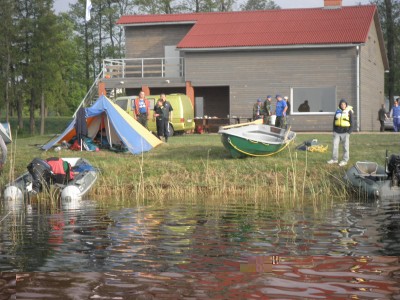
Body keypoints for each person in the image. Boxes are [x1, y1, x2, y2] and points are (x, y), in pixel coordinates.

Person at [327, 99, 353, 167]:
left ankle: (345, 160)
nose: (343, 105)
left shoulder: (349, 111)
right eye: (341, 104)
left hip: (345, 132)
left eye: (344, 104)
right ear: (340, 105)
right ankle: (334, 159)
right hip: (337, 132)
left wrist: (349, 132)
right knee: (335, 145)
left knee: (345, 147)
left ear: (346, 105)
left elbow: (352, 122)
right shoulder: (337, 111)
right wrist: (334, 131)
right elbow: (334, 121)